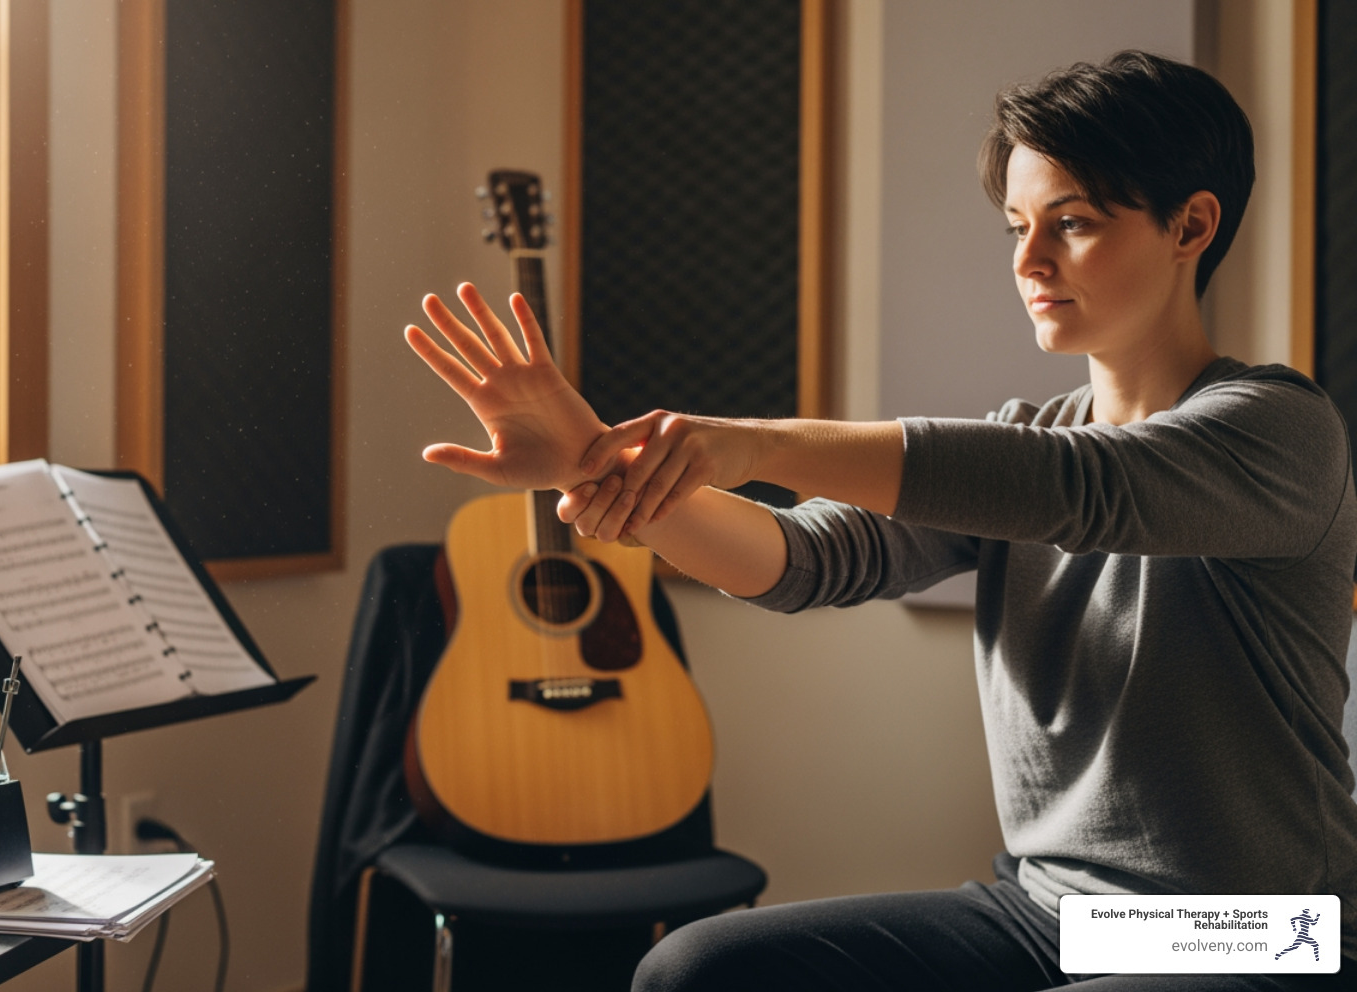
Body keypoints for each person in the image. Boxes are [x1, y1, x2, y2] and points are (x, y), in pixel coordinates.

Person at [405, 50, 1357, 990]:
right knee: (695, 969)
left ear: (1190, 225)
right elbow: (803, 559)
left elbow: (1082, 491)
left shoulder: (1276, 429)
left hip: (1259, 931)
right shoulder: (1020, 446)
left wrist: (755, 441)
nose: (1028, 261)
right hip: (1049, 909)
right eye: (1018, 226)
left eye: (1071, 225)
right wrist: (598, 462)